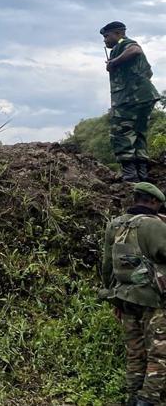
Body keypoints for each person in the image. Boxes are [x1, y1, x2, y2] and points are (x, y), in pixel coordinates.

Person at [101, 182, 166, 406]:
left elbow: (107, 266)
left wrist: (113, 297)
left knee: (135, 353)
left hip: (125, 297)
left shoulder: (116, 224)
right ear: (154, 202)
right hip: (153, 300)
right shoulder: (154, 226)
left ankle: (132, 398)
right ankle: (147, 401)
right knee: (159, 353)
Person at [102, 21, 160, 182]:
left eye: (107, 36)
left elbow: (135, 50)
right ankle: (142, 173)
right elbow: (149, 72)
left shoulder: (123, 43)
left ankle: (130, 175)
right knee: (139, 133)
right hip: (145, 97)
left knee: (120, 132)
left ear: (118, 33)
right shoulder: (121, 48)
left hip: (129, 99)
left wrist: (114, 62)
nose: (105, 40)